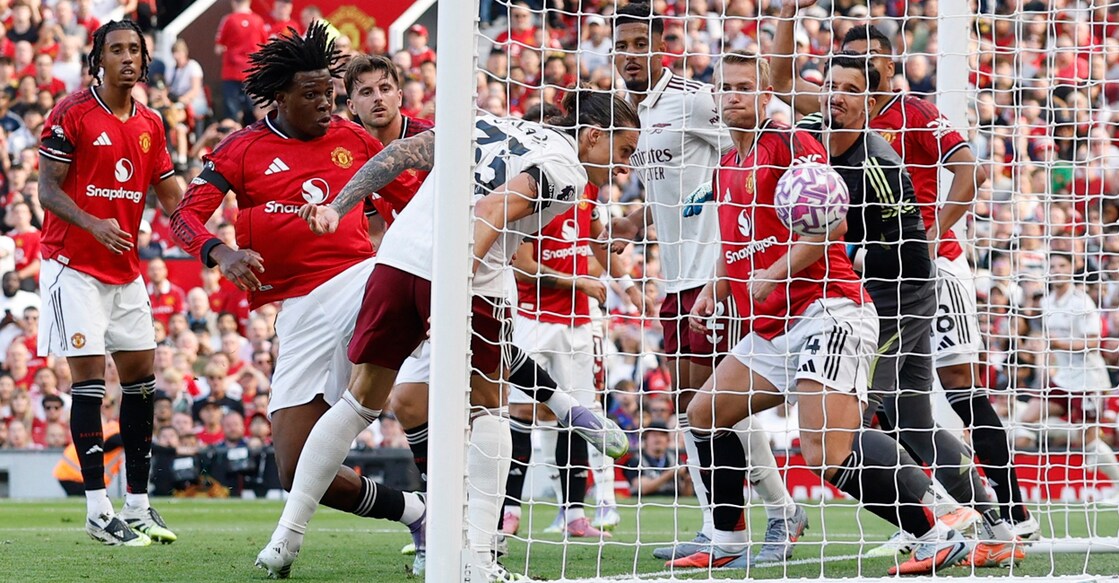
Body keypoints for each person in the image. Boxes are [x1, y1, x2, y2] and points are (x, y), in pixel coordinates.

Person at [285, 89, 635, 581]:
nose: (624, 168)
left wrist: (338, 206)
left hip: (397, 261)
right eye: (622, 153)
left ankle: (286, 541)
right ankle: (478, 558)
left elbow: (400, 155)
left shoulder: (489, 123)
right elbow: (490, 213)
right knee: (488, 407)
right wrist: (455, 290)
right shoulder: (565, 170)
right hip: (460, 275)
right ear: (594, 136)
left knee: (373, 400)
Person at [683, 51, 968, 576]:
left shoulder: (792, 145)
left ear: (767, 95)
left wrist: (774, 274)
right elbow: (737, 239)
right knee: (703, 415)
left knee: (826, 455)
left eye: (746, 86)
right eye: (725, 88)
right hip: (774, 328)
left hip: (828, 312)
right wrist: (713, 289)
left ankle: (935, 534)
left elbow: (831, 226)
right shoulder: (727, 164)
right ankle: (725, 537)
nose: (734, 96)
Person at [169, 23, 427, 577]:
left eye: (330, 94)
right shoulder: (241, 150)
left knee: (416, 382)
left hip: (361, 282)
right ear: (280, 97)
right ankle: (417, 513)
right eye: (310, 95)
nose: (325, 106)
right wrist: (220, 252)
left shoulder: (356, 141)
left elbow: (413, 199)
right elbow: (183, 216)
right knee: (295, 466)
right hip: (300, 312)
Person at [771, 2, 1034, 540]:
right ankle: (987, 518)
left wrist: (936, 232)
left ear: (887, 71)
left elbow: (966, 170)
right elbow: (778, 79)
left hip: (913, 276)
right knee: (909, 409)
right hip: (875, 281)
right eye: (836, 75)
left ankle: (969, 513)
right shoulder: (828, 120)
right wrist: (786, 16)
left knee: (927, 394)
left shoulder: (899, 129)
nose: (838, 91)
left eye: (864, 67)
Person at [605, 2, 802, 565]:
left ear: (661, 47)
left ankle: (764, 518)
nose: (630, 56)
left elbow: (761, 139)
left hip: (718, 275)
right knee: (697, 406)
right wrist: (633, 221)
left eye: (640, 45)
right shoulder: (631, 114)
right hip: (675, 278)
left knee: (716, 407)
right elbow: (673, 188)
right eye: (621, 48)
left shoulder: (695, 99)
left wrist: (739, 214)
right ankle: (727, 526)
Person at [37, 20, 182, 547]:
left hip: (125, 272)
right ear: (97, 60)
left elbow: (171, 196)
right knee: (90, 384)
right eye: (116, 50)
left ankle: (138, 505)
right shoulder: (71, 113)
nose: (127, 58)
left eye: (135, 51)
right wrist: (95, 223)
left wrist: (209, 239)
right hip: (71, 267)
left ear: (146, 62)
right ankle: (98, 509)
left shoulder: (151, 123)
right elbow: (46, 191)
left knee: (143, 380)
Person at [1018, 253, 1119, 503]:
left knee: (1091, 441)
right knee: (1028, 418)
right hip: (1063, 377)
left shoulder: (1082, 302)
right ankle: (1078, 435)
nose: (1057, 270)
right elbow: (1049, 345)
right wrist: (1046, 369)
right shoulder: (1048, 302)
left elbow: (1095, 341)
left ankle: (1118, 485)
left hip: (1088, 379)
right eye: (1052, 266)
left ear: (1071, 269)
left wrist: (1060, 343)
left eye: (1062, 265)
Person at [342, 53, 432, 248]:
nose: (378, 98)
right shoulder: (354, 155)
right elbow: (375, 232)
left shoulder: (429, 138)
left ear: (399, 97)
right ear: (352, 106)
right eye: (366, 92)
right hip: (402, 253)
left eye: (385, 89)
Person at [214, 0, 268, 125]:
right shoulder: (258, 20)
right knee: (256, 114)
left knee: (232, 116)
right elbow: (265, 45)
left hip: (232, 73)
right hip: (253, 73)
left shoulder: (229, 20)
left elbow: (218, 48)